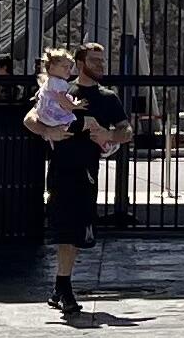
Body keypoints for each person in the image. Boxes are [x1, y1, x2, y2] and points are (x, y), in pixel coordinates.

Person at [26, 40, 130, 319]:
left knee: (78, 231)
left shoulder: (108, 98)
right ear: (81, 63)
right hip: (62, 169)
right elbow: (30, 118)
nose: (101, 65)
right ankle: (66, 290)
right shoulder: (62, 88)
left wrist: (110, 136)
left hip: (88, 172)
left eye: (103, 60)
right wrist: (49, 132)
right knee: (65, 229)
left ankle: (60, 287)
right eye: (95, 60)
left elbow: (126, 130)